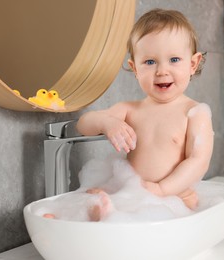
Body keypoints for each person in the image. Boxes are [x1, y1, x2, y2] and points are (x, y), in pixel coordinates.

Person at [75, 8, 214, 219]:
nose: (162, 71)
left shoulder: (193, 113)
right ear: (135, 68)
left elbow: (198, 161)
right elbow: (83, 124)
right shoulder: (130, 110)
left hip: (176, 198)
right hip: (133, 195)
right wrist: (106, 123)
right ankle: (100, 212)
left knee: (184, 207)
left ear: (192, 64)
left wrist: (162, 190)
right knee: (91, 199)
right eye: (150, 62)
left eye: (174, 59)